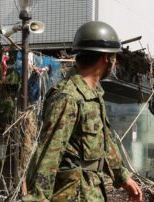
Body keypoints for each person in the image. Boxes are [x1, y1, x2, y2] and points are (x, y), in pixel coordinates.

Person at [23, 21, 142, 201]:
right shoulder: (68, 97)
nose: (115, 62)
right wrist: (37, 198)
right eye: (114, 57)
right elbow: (48, 153)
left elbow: (105, 143)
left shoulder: (93, 95)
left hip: (91, 191)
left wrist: (123, 178)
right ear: (105, 58)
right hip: (73, 194)